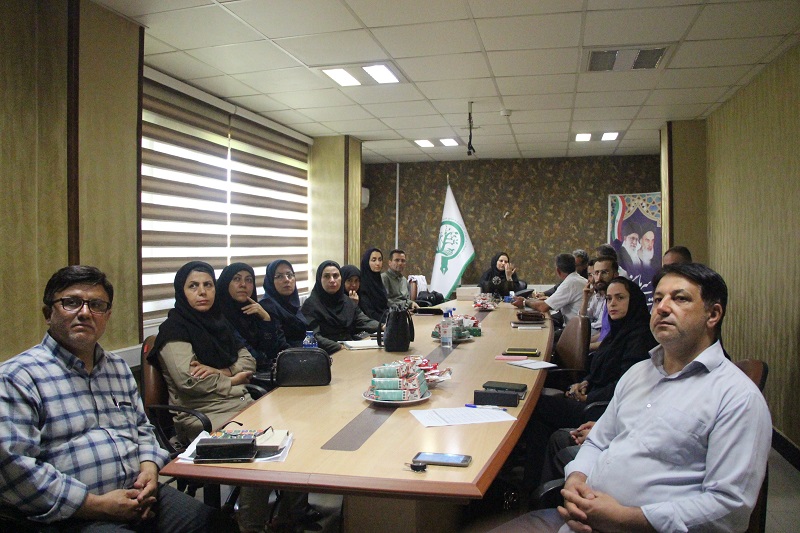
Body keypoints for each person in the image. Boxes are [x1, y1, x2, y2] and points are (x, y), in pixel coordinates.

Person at [495, 263, 772, 533]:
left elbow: (730, 509)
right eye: (659, 298)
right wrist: (576, 479)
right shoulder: (639, 373)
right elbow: (598, 441)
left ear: (713, 315)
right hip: (581, 519)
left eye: (680, 299)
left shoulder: (737, 397)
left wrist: (625, 519)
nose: (662, 307)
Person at [0, 265, 217, 531]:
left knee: (212, 522)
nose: (85, 313)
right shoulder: (18, 377)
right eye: (71, 303)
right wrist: (95, 504)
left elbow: (143, 429)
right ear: (48, 313)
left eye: (96, 305)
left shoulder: (117, 368)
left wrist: (150, 470)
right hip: (70, 514)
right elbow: (15, 468)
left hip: (138, 494)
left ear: (107, 315)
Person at [521, 277, 656, 491]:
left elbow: (624, 385)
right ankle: (534, 487)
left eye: (620, 298)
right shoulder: (618, 330)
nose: (612, 304)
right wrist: (585, 382)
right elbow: (601, 366)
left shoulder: (640, 337)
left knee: (536, 406)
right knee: (540, 420)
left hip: (601, 409)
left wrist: (588, 397)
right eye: (609, 299)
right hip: (592, 398)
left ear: (635, 301)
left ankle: (531, 488)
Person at [217, 262, 287, 373]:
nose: (243, 284)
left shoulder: (256, 313)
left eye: (249, 280)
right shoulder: (219, 317)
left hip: (264, 374)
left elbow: (272, 351)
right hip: (239, 377)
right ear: (226, 283)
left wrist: (266, 320)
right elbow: (253, 356)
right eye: (237, 279)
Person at [302, 260, 381, 354]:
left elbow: (363, 320)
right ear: (320, 279)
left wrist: (383, 326)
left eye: (335, 276)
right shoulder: (311, 305)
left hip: (349, 349)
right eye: (327, 276)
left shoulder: (346, 300)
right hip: (327, 353)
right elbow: (314, 337)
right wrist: (340, 347)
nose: (332, 280)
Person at [517, 254, 586, 325]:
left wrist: (524, 301)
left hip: (573, 328)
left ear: (558, 271)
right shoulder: (579, 280)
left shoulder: (570, 283)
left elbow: (543, 307)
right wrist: (548, 300)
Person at [259, 259, 309, 348]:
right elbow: (280, 346)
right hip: (290, 354)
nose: (286, 280)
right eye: (279, 276)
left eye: (289, 275)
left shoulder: (291, 303)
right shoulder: (268, 306)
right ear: (270, 281)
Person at [358, 247, 389, 322]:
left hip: (384, 320)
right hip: (371, 323)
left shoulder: (379, 282)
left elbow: (384, 307)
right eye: (373, 260)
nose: (378, 263)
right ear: (367, 262)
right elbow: (368, 312)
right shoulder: (362, 284)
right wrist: (386, 321)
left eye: (380, 260)